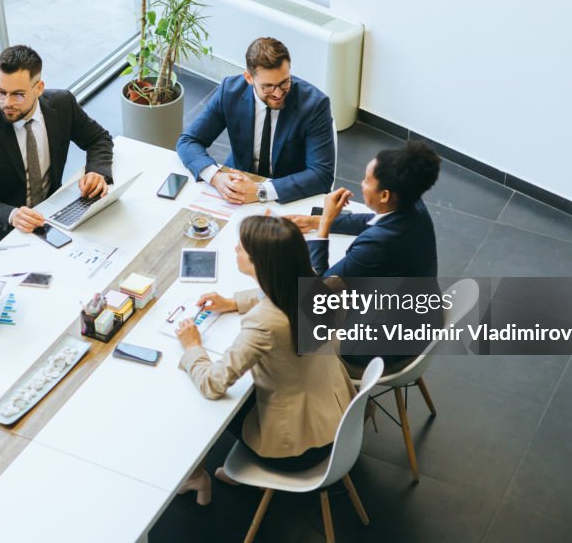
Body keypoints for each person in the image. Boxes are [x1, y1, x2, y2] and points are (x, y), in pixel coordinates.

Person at [173, 215, 356, 505]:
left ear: (260, 263)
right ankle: (207, 475)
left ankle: (196, 475)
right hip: (341, 423)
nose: (235, 250)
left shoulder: (264, 323)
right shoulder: (317, 285)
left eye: (242, 248)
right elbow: (281, 293)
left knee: (202, 402)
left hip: (297, 450)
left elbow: (213, 383)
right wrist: (233, 302)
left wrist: (192, 346)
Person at [0, 45, 114, 263]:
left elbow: (98, 139)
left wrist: (97, 172)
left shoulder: (62, 104)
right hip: (0, 235)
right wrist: (12, 215)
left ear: (39, 88)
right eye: (1, 93)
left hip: (51, 217)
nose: (7, 103)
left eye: (17, 94)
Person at [176, 37, 335, 205]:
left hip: (287, 192)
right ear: (249, 78)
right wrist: (216, 177)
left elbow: (321, 174)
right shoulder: (229, 92)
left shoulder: (315, 104)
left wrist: (261, 191)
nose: (278, 93)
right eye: (268, 86)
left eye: (284, 83)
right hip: (239, 182)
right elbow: (188, 141)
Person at [288, 140, 442, 278]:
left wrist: (325, 223)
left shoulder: (375, 246)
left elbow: (318, 291)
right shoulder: (412, 201)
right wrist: (314, 221)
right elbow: (373, 222)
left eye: (367, 181)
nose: (361, 183)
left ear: (384, 196)